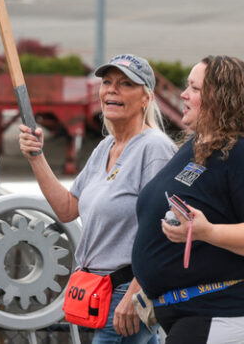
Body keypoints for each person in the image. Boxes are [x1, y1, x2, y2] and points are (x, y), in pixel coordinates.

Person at [132, 56, 244, 343]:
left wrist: (208, 231)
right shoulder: (199, 144)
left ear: (221, 98)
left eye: (194, 88)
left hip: (223, 307)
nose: (183, 94)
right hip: (188, 307)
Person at [18, 53, 175, 344]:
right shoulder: (105, 147)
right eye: (107, 82)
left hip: (126, 293)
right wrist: (36, 157)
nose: (112, 90)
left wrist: (136, 294)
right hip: (98, 292)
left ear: (146, 98)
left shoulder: (154, 149)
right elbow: (67, 209)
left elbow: (166, 231)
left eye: (126, 84)